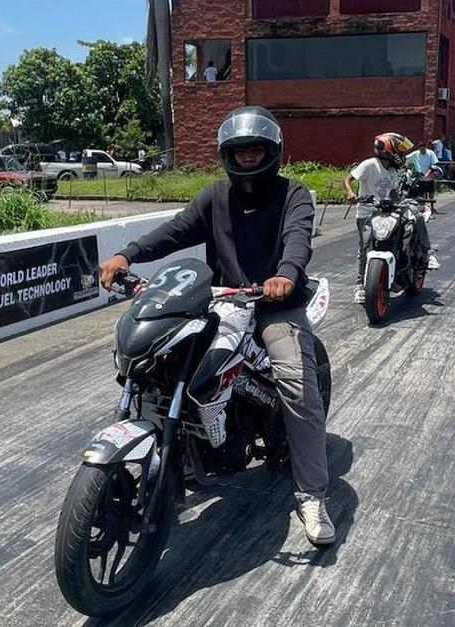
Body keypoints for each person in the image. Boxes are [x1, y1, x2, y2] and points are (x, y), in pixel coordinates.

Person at [98, 106, 336, 545]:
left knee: (296, 383)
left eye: (256, 151)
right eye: (239, 152)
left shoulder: (294, 195)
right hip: (224, 301)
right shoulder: (214, 197)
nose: (247, 159)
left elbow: (297, 240)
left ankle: (311, 494)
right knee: (166, 362)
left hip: (274, 304)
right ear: (227, 155)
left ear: (273, 152)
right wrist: (126, 255)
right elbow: (173, 231)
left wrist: (285, 275)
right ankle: (182, 453)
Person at [342, 132, 439, 306]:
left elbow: (393, 192)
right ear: (389, 149)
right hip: (366, 213)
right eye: (400, 150)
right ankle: (360, 286)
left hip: (386, 211)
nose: (402, 154)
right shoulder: (370, 164)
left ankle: (427, 253)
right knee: (364, 249)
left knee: (414, 219)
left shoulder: (392, 170)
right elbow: (348, 178)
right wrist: (349, 192)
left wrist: (403, 199)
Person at [406, 139, 441, 215]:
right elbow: (407, 158)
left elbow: (434, 164)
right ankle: (424, 208)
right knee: (422, 194)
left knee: (431, 193)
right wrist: (410, 167)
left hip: (429, 177)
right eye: (420, 147)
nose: (422, 148)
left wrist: (429, 172)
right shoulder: (416, 154)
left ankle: (432, 207)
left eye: (423, 146)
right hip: (420, 177)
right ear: (419, 148)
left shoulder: (430, 153)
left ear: (425, 147)